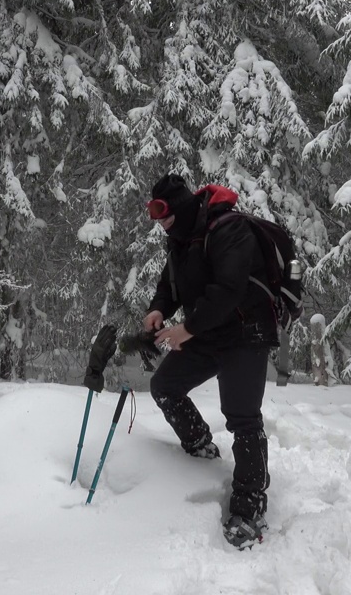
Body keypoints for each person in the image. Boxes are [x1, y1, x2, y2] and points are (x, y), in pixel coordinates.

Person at [143, 173, 278, 549]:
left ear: (180, 206)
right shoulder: (180, 240)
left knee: (242, 418)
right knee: (165, 387)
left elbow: (229, 289)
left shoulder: (228, 228)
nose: (159, 221)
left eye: (162, 212)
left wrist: (186, 328)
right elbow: (170, 285)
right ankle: (201, 449)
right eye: (153, 213)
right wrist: (158, 309)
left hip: (245, 335)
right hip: (207, 335)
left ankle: (250, 508)